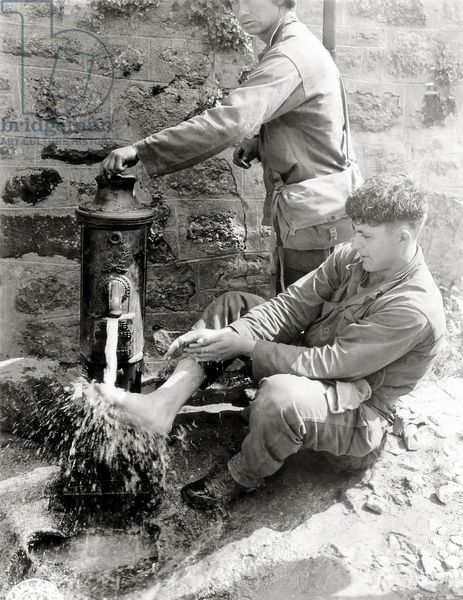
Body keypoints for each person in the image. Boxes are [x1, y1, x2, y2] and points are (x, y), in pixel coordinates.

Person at [96, 174, 446, 510]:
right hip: (312, 357)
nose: (355, 244)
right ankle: (163, 405)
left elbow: (331, 364)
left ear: (402, 238)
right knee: (234, 308)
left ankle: (243, 475)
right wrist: (232, 337)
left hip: (354, 410)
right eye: (355, 232)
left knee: (281, 398)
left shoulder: (413, 308)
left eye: (366, 236)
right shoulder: (353, 257)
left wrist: (248, 348)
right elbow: (292, 306)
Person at [100, 0, 362, 291]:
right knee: (296, 307)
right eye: (235, 3)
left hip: (313, 218)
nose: (241, 12)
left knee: (304, 316)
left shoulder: (290, 55)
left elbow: (228, 121)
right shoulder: (291, 45)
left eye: (250, 1)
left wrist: (143, 149)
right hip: (310, 213)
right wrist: (260, 142)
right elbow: (309, 124)